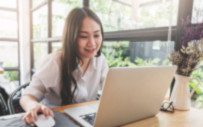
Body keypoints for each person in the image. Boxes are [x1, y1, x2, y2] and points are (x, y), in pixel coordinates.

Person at [20, 7, 109, 125]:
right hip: (56, 120)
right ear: (71, 37)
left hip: (85, 119)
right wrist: (34, 106)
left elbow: (113, 91)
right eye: (83, 36)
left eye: (96, 35)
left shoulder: (100, 60)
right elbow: (27, 96)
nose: (92, 43)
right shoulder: (54, 62)